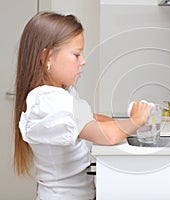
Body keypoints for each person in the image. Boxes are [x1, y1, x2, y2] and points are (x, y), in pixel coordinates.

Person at [14, 11, 152, 200]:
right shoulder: (49, 102)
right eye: (76, 55)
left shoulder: (62, 93)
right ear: (47, 57)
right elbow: (109, 136)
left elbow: (92, 119)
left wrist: (129, 125)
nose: (83, 61)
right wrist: (135, 119)